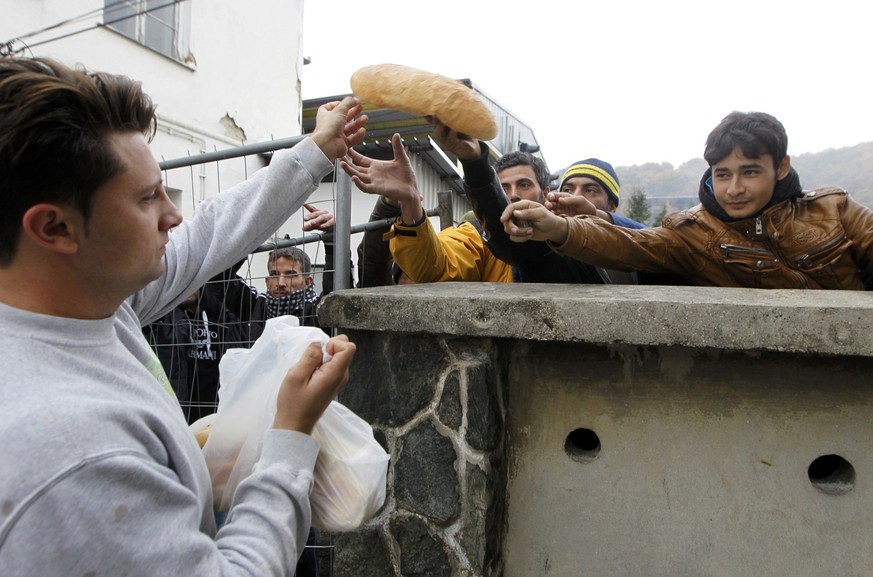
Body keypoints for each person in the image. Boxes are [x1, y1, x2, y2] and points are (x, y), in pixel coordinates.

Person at [0, 56, 365, 575]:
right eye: (149, 199)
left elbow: (207, 237)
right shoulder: (76, 456)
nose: (173, 216)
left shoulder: (94, 302)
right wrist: (290, 436)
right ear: (56, 229)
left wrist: (315, 152)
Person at [500, 111, 873, 289]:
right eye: (722, 174)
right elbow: (629, 245)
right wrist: (560, 228)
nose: (735, 188)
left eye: (751, 172)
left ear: (781, 166)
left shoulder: (833, 209)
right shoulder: (693, 233)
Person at [143, 286, 246, 424]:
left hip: (223, 413)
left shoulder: (228, 316)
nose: (188, 284)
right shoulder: (163, 319)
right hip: (180, 414)